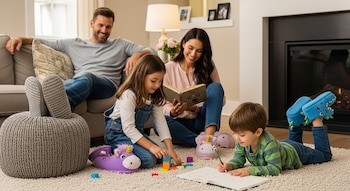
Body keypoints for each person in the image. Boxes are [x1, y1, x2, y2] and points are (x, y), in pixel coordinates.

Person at [5, 7, 155, 111]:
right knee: (73, 81)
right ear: (91, 24)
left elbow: (152, 52)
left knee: (87, 77)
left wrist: (137, 54)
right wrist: (20, 38)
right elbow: (42, 42)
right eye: (100, 25)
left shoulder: (120, 44)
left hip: (106, 86)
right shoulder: (73, 43)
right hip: (79, 83)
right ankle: (55, 103)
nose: (104, 30)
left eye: (108, 27)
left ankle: (54, 103)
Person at [217, 91, 335, 176]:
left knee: (325, 156)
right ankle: (294, 120)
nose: (236, 137)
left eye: (241, 135)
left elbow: (274, 169)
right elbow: (238, 160)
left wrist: (250, 170)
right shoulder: (241, 141)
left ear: (258, 132)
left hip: (296, 153)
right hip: (282, 147)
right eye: (234, 133)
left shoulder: (268, 145)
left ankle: (316, 117)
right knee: (290, 144)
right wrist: (229, 165)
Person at [160, 28, 232, 159]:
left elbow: (220, 98)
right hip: (179, 124)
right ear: (183, 44)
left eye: (199, 51)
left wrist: (193, 107)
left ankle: (208, 137)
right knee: (160, 122)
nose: (193, 54)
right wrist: (173, 111)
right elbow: (161, 104)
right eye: (190, 48)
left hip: (203, 122)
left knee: (215, 87)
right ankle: (200, 140)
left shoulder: (208, 66)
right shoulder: (168, 68)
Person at [104, 54, 181, 169]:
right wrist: (151, 147)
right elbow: (128, 128)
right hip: (118, 133)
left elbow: (161, 123)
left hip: (137, 133)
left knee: (162, 156)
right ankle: (114, 154)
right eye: (153, 80)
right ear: (141, 76)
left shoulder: (154, 96)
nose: (157, 85)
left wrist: (170, 149)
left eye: (160, 81)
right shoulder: (128, 94)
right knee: (149, 160)